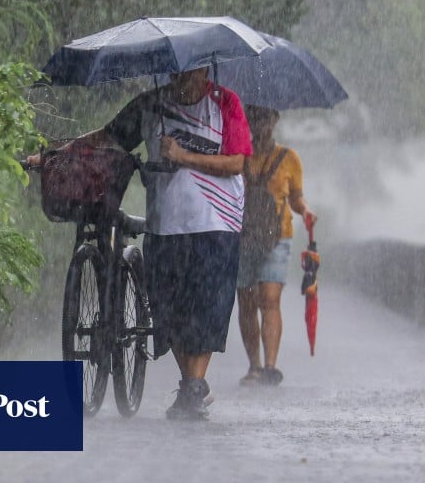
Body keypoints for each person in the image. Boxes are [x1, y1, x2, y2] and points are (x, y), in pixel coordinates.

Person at [27, 65, 252, 421]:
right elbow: (108, 136)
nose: (180, 79)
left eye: (188, 72)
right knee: (167, 307)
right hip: (166, 223)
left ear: (204, 69)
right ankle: (192, 385)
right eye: (174, 73)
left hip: (217, 222)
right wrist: (56, 156)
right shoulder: (150, 104)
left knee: (206, 307)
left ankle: (194, 384)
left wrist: (183, 157)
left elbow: (237, 162)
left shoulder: (225, 103)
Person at [235, 105, 316, 387]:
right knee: (246, 299)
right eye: (253, 119)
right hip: (243, 237)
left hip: (277, 237)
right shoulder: (237, 157)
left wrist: (304, 210)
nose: (259, 126)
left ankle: (269, 366)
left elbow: (296, 197)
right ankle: (254, 365)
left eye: (264, 119)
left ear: (275, 120)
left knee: (269, 299)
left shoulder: (289, 158)